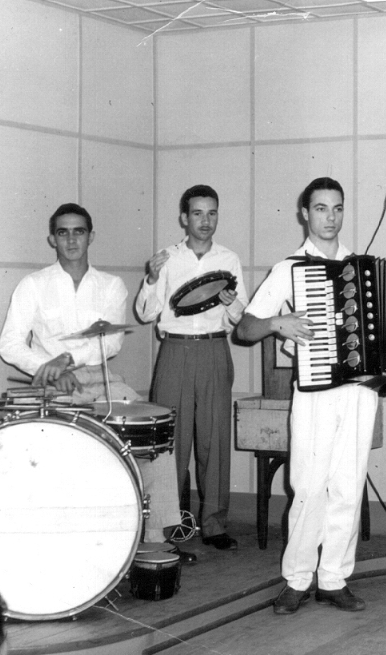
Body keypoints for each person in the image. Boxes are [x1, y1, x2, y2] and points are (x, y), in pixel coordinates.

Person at [237, 177, 386, 615]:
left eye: (337, 208)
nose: (330, 217)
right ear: (304, 214)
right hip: (314, 393)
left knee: (348, 486)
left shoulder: (361, 266)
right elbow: (245, 327)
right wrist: (277, 324)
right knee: (308, 485)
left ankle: (334, 579)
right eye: (321, 208)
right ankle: (297, 580)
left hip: (361, 392)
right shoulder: (289, 269)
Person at [0, 203, 183, 552]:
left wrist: (67, 359)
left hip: (100, 377)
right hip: (48, 382)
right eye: (63, 232)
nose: (71, 239)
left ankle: (154, 537)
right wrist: (46, 368)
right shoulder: (33, 284)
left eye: (78, 231)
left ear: (91, 236)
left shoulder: (110, 285)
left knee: (154, 428)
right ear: (52, 238)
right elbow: (9, 344)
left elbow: (111, 341)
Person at [135, 185, 247, 552]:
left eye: (212, 213)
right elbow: (145, 314)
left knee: (214, 441)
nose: (205, 221)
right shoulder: (166, 258)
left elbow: (238, 316)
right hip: (175, 353)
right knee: (170, 444)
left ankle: (213, 524)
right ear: (184, 217)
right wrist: (151, 280)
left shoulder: (229, 259)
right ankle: (168, 524)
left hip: (215, 350)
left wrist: (231, 305)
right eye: (197, 213)